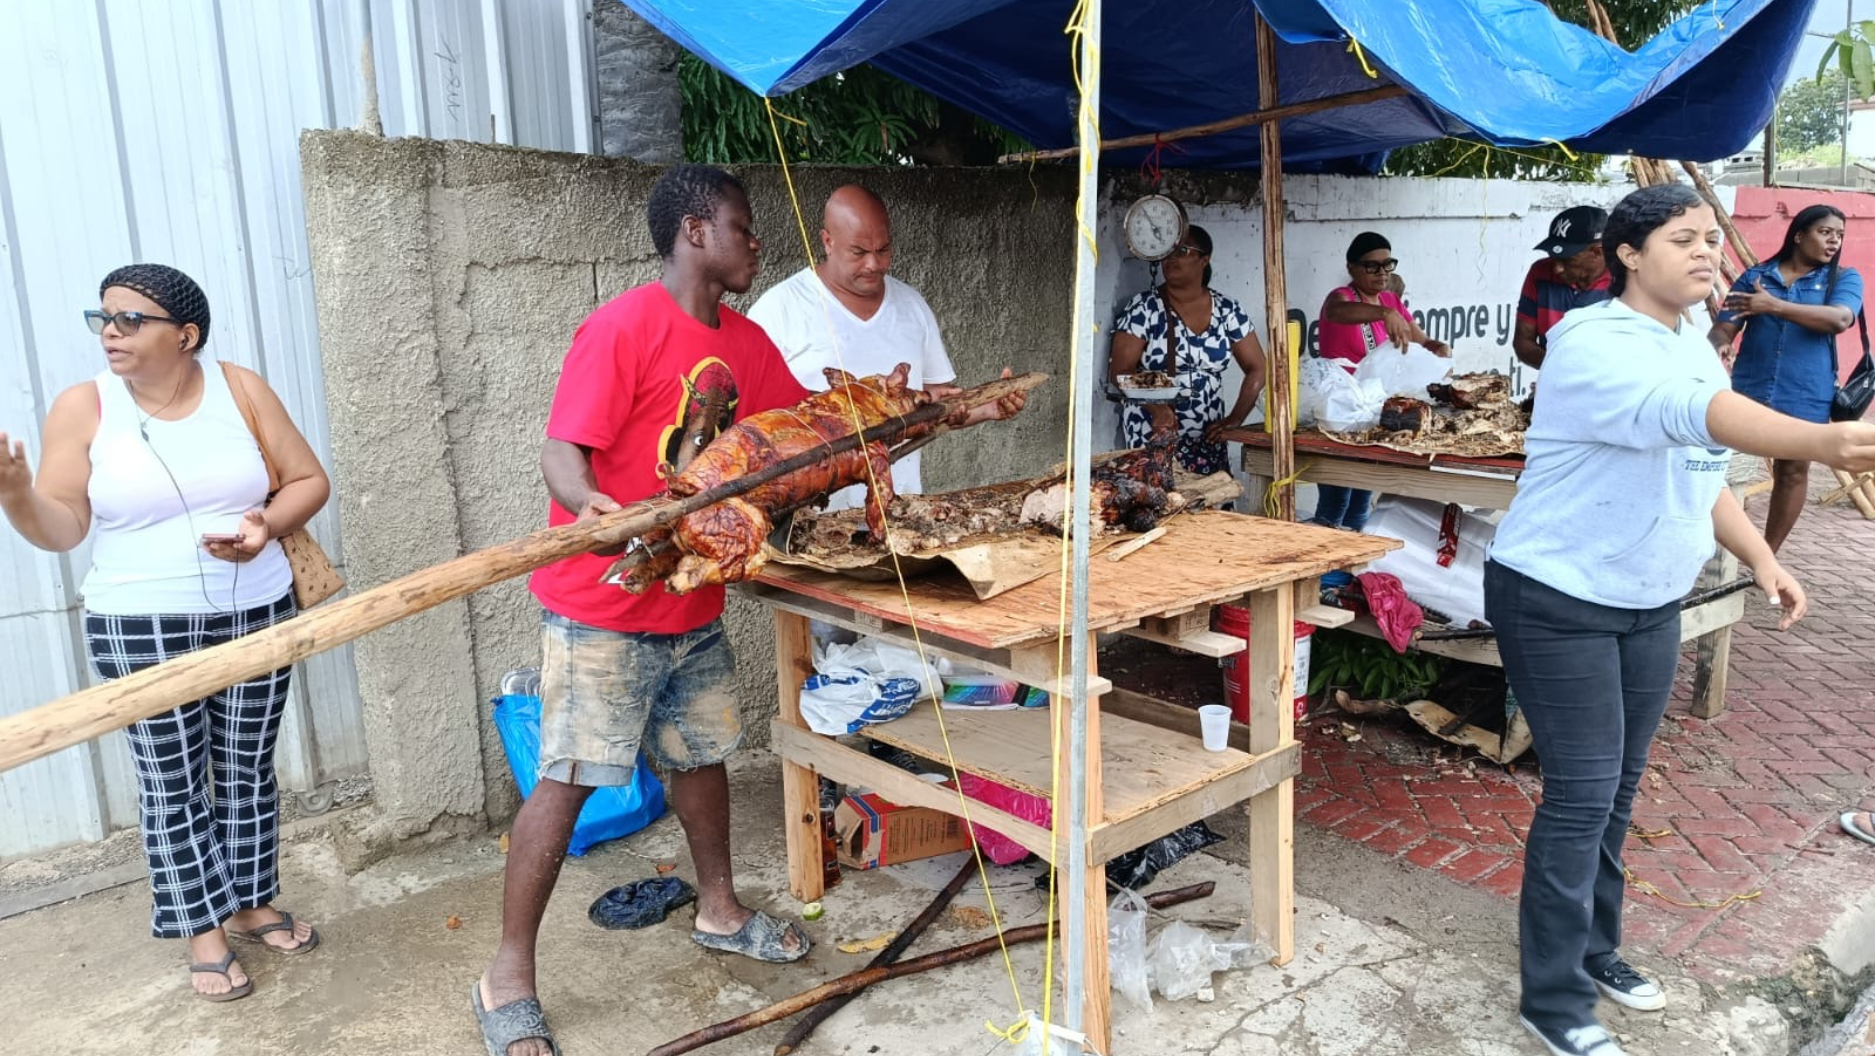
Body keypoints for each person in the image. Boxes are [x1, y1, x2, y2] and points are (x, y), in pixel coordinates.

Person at [1484, 184, 1875, 1056]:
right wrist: (1820, 440)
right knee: (1580, 797)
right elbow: (1687, 415)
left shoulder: (1694, 339)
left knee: (1618, 791)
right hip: (1558, 597)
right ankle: (1551, 1001)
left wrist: (1765, 559)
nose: (1706, 252)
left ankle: (1595, 950)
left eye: (1709, 238)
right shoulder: (1587, 341)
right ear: (1627, 254)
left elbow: (1698, 470)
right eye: (1681, 238)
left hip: (1647, 597)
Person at [0, 264, 329, 1001]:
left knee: (246, 772)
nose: (109, 333)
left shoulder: (239, 389)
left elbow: (309, 479)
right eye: (103, 319)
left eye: (128, 320)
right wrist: (16, 493)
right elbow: (61, 526)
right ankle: (201, 927)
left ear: (186, 335)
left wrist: (265, 525)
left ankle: (248, 902)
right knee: (172, 784)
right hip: (138, 625)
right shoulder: (84, 408)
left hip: (255, 613)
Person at [747, 184, 1023, 512]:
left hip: (897, 517)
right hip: (804, 522)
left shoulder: (912, 307)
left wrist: (988, 409)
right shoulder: (778, 310)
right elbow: (755, 427)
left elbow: (938, 408)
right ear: (827, 241)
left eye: (883, 249)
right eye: (859, 252)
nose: (874, 264)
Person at [1709, 204, 1863, 553]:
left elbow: (1839, 319)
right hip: (1748, 389)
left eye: (1839, 235)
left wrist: (1774, 306)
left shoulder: (1843, 279)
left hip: (1805, 392)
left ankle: (1766, 553)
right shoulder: (1756, 277)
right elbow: (1723, 327)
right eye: (1825, 232)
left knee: (1792, 472)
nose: (1834, 241)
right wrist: (1720, 345)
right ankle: (1714, 541)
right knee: (1715, 462)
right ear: (1798, 235)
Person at [1312, 231, 1450, 530]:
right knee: (1335, 500)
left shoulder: (1390, 301)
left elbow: (1422, 341)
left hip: (1375, 416)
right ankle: (1324, 572)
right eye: (1372, 266)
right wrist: (1384, 313)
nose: (1382, 273)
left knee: (1362, 497)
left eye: (1388, 265)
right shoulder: (1341, 298)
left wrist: (1437, 351)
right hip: (1341, 414)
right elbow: (1337, 312)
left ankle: (1348, 573)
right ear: (1351, 268)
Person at [1107, 223, 1268, 476]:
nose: (1170, 258)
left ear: (1204, 259)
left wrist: (1234, 420)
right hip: (1155, 433)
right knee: (1157, 507)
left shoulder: (1228, 310)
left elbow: (1258, 368)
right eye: (1166, 251)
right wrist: (1157, 407)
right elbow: (1119, 373)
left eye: (1181, 250)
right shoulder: (1144, 309)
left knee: (1210, 507)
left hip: (1208, 439)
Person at [1513, 205, 1614, 369]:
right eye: (1554, 258)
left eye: (1567, 260)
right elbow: (1523, 341)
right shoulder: (1540, 273)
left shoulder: (1626, 282)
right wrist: (1561, 370)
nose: (1557, 268)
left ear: (1597, 252)